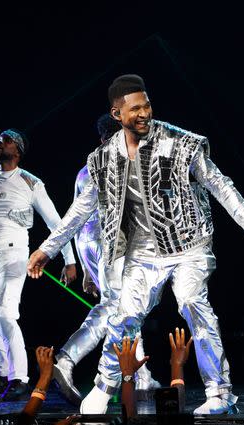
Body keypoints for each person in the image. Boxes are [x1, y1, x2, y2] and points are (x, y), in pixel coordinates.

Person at [28, 74, 244, 414]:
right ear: (117, 115)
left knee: (192, 303)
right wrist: (47, 249)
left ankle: (219, 393)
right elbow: (80, 210)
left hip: (188, 244)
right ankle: (103, 387)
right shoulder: (102, 159)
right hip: (141, 252)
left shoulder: (180, 143)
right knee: (124, 316)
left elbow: (220, 184)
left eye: (146, 106)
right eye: (135, 109)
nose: (143, 114)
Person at [53, 114, 158, 406]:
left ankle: (142, 375)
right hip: (114, 243)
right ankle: (66, 358)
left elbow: (77, 219)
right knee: (115, 308)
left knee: (127, 308)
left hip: (89, 242)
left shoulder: (84, 169)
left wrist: (86, 268)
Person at [0, 129, 76, 401]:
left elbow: (57, 224)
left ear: (17, 150)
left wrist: (70, 259)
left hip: (14, 254)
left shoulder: (30, 183)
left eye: (5, 139)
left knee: (6, 314)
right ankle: (2, 372)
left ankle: (20, 377)